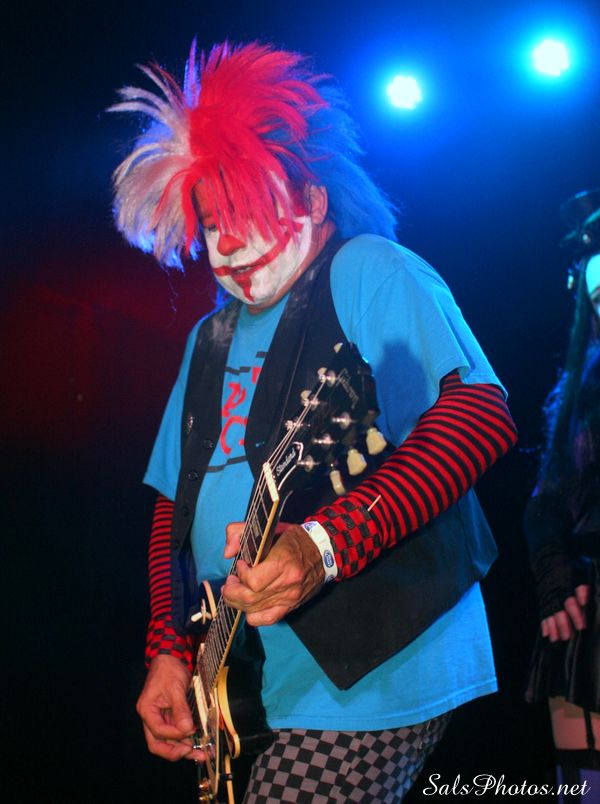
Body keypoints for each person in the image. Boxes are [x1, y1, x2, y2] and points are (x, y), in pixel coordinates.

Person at [110, 40, 517, 803]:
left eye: (245, 212)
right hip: (249, 680)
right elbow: (173, 509)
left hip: (381, 662)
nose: (227, 242)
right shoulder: (208, 338)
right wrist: (168, 648)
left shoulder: (368, 268)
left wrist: (324, 544)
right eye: (211, 223)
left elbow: (477, 415)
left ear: (312, 201)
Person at [524, 189, 600, 802]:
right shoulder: (584, 390)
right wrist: (554, 571)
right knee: (583, 787)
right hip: (589, 619)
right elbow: (545, 504)